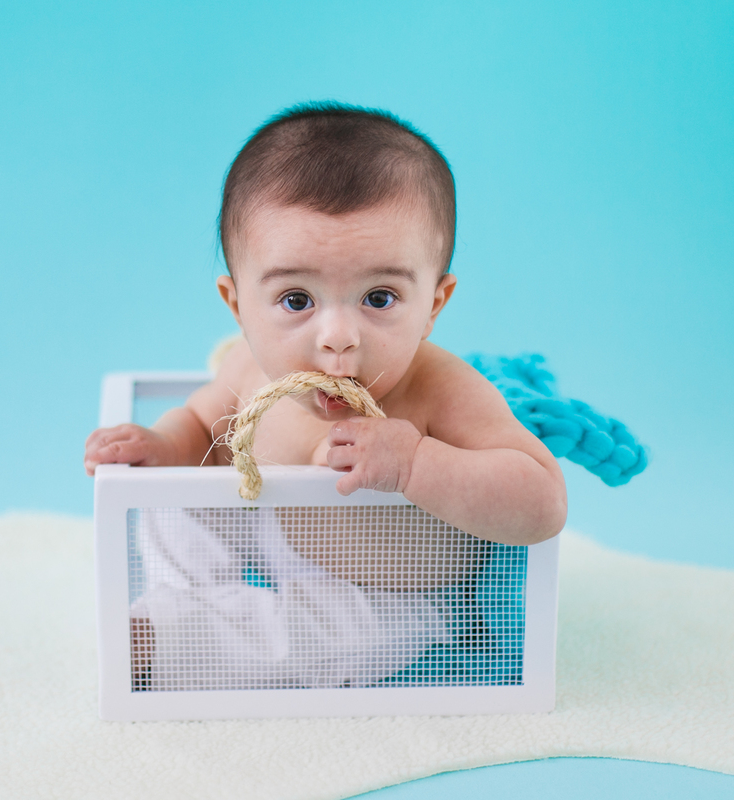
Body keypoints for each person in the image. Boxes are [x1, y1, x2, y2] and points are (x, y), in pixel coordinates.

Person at [84, 102, 566, 690]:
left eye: (380, 297)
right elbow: (201, 422)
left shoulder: (440, 388)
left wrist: (416, 462)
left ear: (434, 304)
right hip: (274, 532)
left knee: (320, 634)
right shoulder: (251, 368)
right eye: (296, 300)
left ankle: (175, 639)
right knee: (174, 501)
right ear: (238, 306)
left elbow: (542, 499)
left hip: (388, 592)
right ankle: (187, 599)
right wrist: (162, 445)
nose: (337, 338)